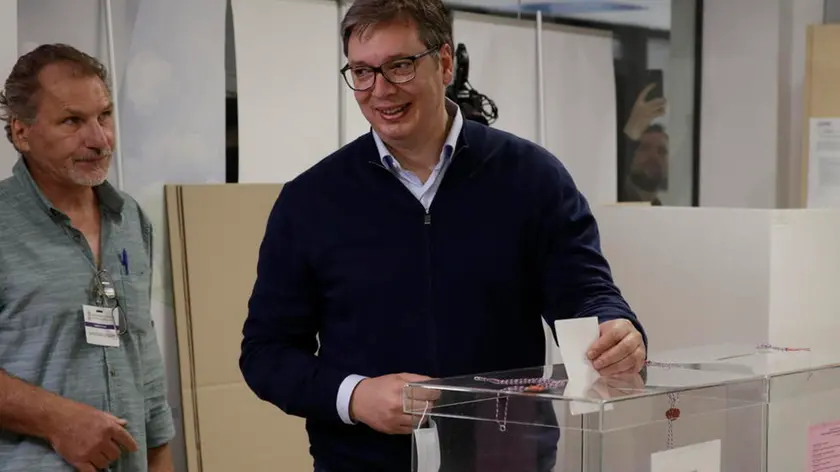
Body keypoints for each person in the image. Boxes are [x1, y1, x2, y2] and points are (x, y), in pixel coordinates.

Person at [240, 0, 648, 470]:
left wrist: (616, 330)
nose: (381, 90)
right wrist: (355, 396)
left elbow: (586, 294)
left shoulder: (531, 178)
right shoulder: (310, 200)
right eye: (362, 72)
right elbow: (267, 353)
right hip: (364, 461)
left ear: (446, 62)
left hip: (504, 456)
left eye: (400, 66)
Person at [0, 44, 175, 472]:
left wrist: (160, 457)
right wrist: (57, 420)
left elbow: (143, 355)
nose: (99, 139)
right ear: (22, 133)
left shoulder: (131, 218)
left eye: (104, 115)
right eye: (72, 121)